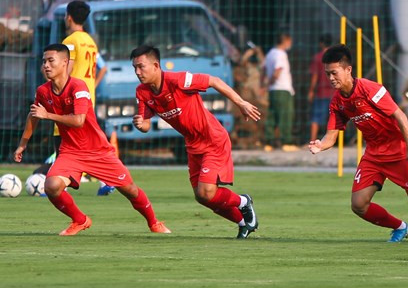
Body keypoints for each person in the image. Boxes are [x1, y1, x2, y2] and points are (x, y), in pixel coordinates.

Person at [12, 44, 170, 236]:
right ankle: (80, 220)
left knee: (130, 190)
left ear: (64, 63)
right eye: (44, 61)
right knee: (51, 186)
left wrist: (48, 115)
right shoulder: (43, 91)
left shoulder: (78, 86)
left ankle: (154, 223)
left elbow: (78, 121)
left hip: (98, 151)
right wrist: (23, 144)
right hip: (70, 152)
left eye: (50, 61)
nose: (46, 65)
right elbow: (34, 115)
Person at [308, 44, 408, 242]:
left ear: (348, 70)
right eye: (327, 74)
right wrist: (320, 146)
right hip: (374, 155)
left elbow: (401, 116)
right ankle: (400, 227)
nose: (331, 78)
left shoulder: (370, 89)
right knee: (358, 204)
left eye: (334, 73)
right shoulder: (337, 102)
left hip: (401, 151)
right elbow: (331, 136)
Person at [130, 45, 262, 239]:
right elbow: (146, 125)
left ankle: (243, 201)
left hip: (213, 139)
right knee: (202, 197)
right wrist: (140, 124)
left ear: (156, 65)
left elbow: (214, 81)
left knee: (207, 191)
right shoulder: (142, 92)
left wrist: (240, 103)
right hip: (192, 145)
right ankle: (243, 223)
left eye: (141, 67)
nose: (137, 72)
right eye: (134, 68)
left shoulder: (178, 80)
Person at [61, 0, 110, 193]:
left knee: (66, 142)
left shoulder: (70, 41)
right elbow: (103, 68)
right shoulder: (90, 41)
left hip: (72, 99)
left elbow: (67, 69)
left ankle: (58, 181)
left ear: (69, 17)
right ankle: (105, 178)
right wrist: (92, 87)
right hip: (88, 97)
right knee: (88, 141)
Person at [262, 33, 296, 151]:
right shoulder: (281, 54)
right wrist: (270, 82)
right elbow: (277, 71)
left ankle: (268, 142)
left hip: (273, 91)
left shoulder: (270, 53)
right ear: (285, 40)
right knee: (286, 115)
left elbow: (264, 69)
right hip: (282, 88)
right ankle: (286, 142)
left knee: (272, 115)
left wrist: (264, 84)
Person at [308, 34, 334, 142]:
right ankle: (334, 141)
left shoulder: (318, 57)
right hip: (334, 92)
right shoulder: (335, 57)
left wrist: (311, 90)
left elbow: (315, 76)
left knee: (316, 117)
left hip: (321, 92)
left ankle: (312, 140)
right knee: (334, 118)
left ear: (321, 43)